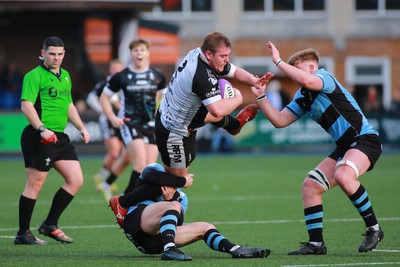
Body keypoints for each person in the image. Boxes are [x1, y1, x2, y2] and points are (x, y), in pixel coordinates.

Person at [251, 41, 383, 255]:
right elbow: (279, 120)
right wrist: (260, 95)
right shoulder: (303, 96)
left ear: (312, 68)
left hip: (365, 140)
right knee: (310, 186)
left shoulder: (324, 78)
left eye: (298, 69)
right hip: (345, 146)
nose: (295, 76)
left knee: (343, 175)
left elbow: (305, 79)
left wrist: (278, 61)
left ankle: (374, 228)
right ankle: (316, 244)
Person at [155, 31, 272, 179]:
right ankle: (130, 197)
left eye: (227, 55)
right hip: (174, 130)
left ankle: (234, 125)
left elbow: (233, 70)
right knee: (176, 180)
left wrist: (253, 81)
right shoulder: (202, 75)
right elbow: (217, 111)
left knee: (205, 106)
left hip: (181, 116)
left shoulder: (199, 53)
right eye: (223, 56)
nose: (226, 60)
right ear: (209, 54)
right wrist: (239, 97)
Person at [15, 36, 91, 245]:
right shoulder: (34, 76)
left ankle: (49, 225)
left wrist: (82, 127)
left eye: (59, 54)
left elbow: (69, 106)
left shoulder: (65, 76)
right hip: (38, 136)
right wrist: (41, 129)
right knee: (35, 184)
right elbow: (26, 106)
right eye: (52, 54)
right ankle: (23, 233)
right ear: (43, 53)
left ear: (64, 54)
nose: (56, 58)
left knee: (76, 180)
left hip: (60, 137)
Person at [109, 163, 270, 261]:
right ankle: (170, 250)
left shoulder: (182, 198)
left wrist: (170, 198)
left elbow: (176, 224)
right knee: (173, 205)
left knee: (205, 226)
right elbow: (149, 175)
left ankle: (235, 249)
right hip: (136, 222)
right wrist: (180, 184)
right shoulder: (155, 169)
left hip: (156, 242)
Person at [100, 39, 167, 195]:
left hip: (151, 124)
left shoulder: (157, 75)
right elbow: (104, 98)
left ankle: (131, 199)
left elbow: (165, 96)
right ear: (131, 54)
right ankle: (125, 200)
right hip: (130, 123)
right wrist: (112, 117)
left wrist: (160, 112)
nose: (139, 53)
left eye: (142, 50)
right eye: (136, 50)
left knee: (150, 168)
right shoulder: (121, 76)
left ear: (148, 53)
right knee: (140, 163)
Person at [86, 59, 126, 201]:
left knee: (121, 152)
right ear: (110, 70)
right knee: (114, 152)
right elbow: (91, 98)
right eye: (114, 68)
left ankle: (107, 179)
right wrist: (102, 110)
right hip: (109, 120)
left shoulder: (125, 81)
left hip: (123, 120)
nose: (116, 70)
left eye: (118, 68)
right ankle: (101, 177)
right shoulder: (106, 84)